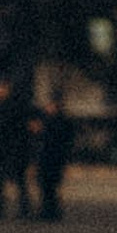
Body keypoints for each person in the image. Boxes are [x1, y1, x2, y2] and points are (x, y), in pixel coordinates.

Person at [0, 80, 34, 220]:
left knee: (18, 181)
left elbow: (17, 131)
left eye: (1, 89)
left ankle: (23, 209)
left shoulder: (12, 107)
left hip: (11, 149)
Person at [32, 93, 73, 221]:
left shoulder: (58, 122)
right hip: (46, 158)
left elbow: (59, 140)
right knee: (45, 186)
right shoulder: (47, 120)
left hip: (54, 158)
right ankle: (48, 210)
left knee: (50, 187)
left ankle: (51, 211)